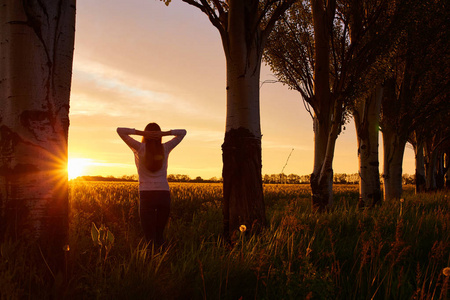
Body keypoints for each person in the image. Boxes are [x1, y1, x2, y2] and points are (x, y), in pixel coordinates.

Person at [117, 123, 186, 246]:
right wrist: (164, 133)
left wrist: (142, 133)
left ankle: (151, 262)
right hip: (164, 195)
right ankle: (163, 260)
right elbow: (183, 132)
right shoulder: (165, 147)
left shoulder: (139, 147)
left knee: (149, 238)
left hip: (146, 195)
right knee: (159, 235)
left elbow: (120, 130)